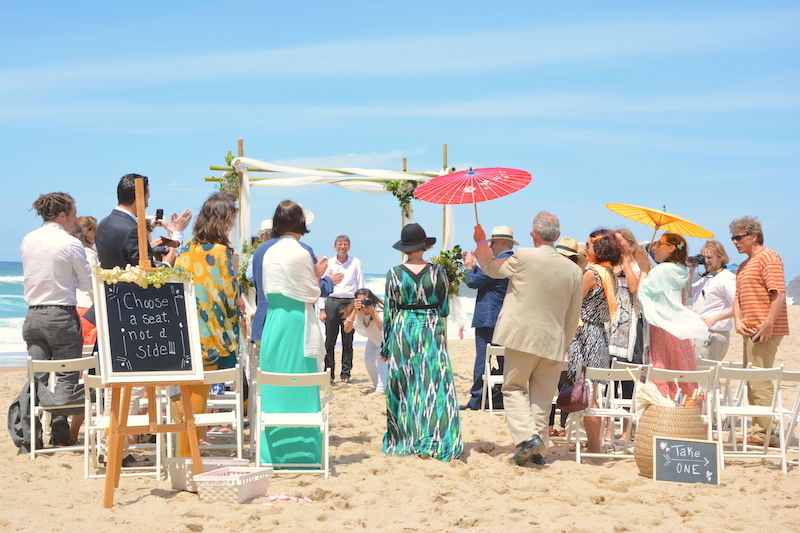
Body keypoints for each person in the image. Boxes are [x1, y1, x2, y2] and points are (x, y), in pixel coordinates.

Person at [95, 173, 191, 467]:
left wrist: (152, 228)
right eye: (147, 196)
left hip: (114, 313)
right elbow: (145, 272)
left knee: (119, 388)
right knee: (131, 388)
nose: (148, 200)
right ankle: (113, 449)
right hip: (134, 317)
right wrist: (170, 256)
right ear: (139, 196)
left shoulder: (105, 224)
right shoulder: (129, 229)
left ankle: (109, 446)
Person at [473, 211, 582, 466]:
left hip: (522, 336)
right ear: (556, 236)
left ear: (533, 234)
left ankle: (528, 438)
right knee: (542, 399)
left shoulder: (522, 256)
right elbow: (572, 314)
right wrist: (563, 343)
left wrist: (480, 241)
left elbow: (491, 268)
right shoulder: (574, 270)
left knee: (513, 388)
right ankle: (537, 453)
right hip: (554, 340)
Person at [11, 192, 90, 452]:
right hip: (60, 314)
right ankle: (60, 434)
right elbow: (87, 282)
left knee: (37, 378)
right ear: (62, 214)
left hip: (33, 314)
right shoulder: (69, 242)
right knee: (68, 376)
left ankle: (29, 438)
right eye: (74, 213)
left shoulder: (28, 239)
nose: (76, 218)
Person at [382, 223, 463, 461]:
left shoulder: (394, 273)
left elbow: (389, 311)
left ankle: (406, 438)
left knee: (405, 385)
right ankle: (434, 437)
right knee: (433, 385)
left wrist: (386, 346)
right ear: (424, 246)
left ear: (405, 248)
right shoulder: (439, 272)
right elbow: (444, 308)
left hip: (403, 328)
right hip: (430, 327)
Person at [258, 200, 328, 467]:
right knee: (301, 384)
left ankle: (271, 455)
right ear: (300, 223)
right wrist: (317, 276)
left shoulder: (269, 252)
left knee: (275, 385)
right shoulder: (299, 253)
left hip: (275, 320)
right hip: (296, 321)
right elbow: (311, 294)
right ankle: (303, 456)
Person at [174, 192, 240, 457]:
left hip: (184, 329)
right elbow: (229, 296)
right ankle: (187, 454)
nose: (232, 225)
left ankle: (184, 452)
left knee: (186, 393)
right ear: (223, 220)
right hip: (210, 330)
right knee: (199, 395)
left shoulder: (187, 249)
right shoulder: (223, 253)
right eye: (231, 220)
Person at [730, 216, 789, 446]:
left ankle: (764, 434)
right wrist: (737, 320)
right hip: (750, 329)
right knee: (751, 381)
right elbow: (737, 298)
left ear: (753, 236)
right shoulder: (744, 265)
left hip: (764, 330)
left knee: (760, 381)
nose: (735, 242)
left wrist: (768, 323)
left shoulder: (768, 257)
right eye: (733, 237)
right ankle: (761, 431)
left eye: (738, 237)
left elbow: (779, 293)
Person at [566, 229, 623, 454]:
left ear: (597, 249)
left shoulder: (592, 273)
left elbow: (573, 302)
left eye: (588, 246)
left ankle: (595, 446)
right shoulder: (610, 274)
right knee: (593, 393)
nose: (586, 249)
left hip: (585, 334)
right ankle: (594, 443)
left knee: (586, 394)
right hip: (599, 335)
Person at [638, 233, 708, 399]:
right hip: (678, 329)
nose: (654, 247)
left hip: (663, 327)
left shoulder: (663, 270)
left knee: (663, 372)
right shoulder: (680, 270)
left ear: (670, 248)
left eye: (659, 244)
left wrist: (644, 270)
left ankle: (664, 417)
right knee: (681, 372)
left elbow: (641, 294)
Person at [460, 225, 516, 411]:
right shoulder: (512, 260)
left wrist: (469, 267)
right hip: (506, 316)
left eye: (493, 242)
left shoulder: (500, 260)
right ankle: (500, 398)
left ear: (502, 242)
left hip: (489, 317)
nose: (490, 246)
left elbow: (473, 282)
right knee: (503, 360)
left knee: (483, 359)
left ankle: (477, 400)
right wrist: (476, 266)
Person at [319, 235, 365, 384]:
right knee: (330, 340)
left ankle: (346, 374)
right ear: (335, 247)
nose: (342, 247)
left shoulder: (356, 263)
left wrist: (360, 306)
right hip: (332, 302)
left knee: (347, 340)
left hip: (349, 303)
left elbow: (360, 285)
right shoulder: (329, 263)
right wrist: (322, 309)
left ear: (349, 247)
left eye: (345, 244)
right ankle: (329, 373)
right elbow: (321, 287)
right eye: (340, 244)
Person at [690, 240, 736, 362]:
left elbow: (738, 306)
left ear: (720, 258)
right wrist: (691, 269)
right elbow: (687, 292)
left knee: (707, 374)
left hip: (715, 334)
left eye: (709, 257)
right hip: (701, 332)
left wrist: (715, 318)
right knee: (700, 373)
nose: (706, 261)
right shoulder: (707, 277)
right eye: (704, 258)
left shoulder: (726, 278)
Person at [341, 288, 386, 395]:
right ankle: (377, 386)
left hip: (386, 338)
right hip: (373, 337)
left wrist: (373, 312)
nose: (363, 303)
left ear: (371, 299)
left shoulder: (380, 308)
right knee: (368, 360)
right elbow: (346, 329)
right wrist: (354, 311)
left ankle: (381, 389)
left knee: (381, 358)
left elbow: (384, 328)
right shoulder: (357, 312)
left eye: (366, 300)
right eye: (360, 301)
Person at [70, 215, 99, 347]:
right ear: (87, 232)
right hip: (88, 306)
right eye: (95, 230)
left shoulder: (74, 251)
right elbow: (91, 281)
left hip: (76, 305)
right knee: (88, 347)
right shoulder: (88, 253)